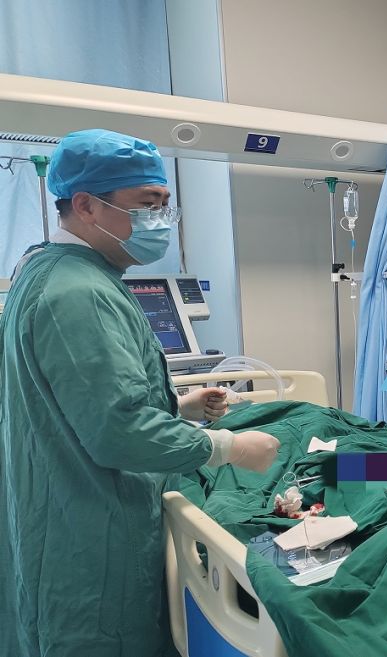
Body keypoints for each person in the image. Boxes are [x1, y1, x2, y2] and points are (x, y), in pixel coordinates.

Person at [0, 129, 281, 657]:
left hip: (63, 503)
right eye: (147, 204)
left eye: (166, 205)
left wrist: (176, 406)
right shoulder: (79, 292)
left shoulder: (48, 270)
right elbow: (118, 429)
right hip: (91, 535)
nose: (161, 220)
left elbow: (74, 400)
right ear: (86, 205)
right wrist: (230, 447)